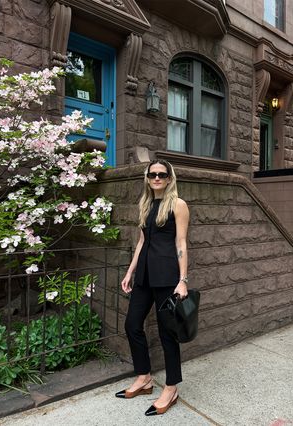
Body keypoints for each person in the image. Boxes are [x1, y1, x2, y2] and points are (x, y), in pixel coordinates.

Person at [115, 159, 189, 416]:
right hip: (145, 275)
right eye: (152, 174)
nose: (157, 178)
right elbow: (141, 242)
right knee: (132, 324)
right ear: (147, 178)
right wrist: (130, 271)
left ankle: (171, 387)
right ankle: (144, 377)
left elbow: (181, 242)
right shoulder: (145, 205)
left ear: (169, 178)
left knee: (167, 333)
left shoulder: (178, 205)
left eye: (162, 174)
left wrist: (183, 279)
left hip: (167, 276)